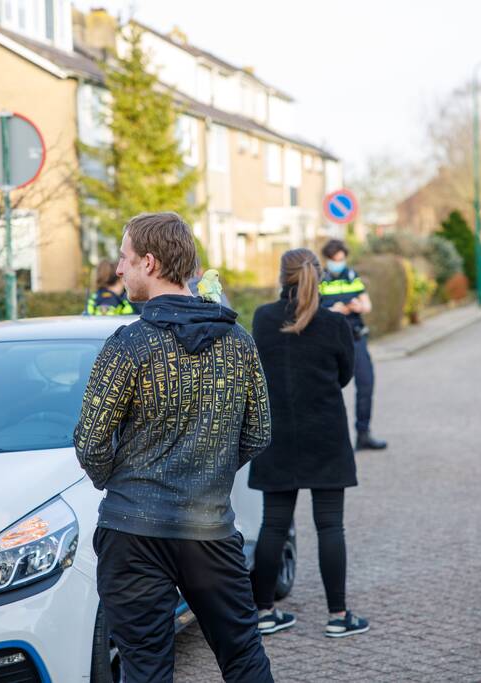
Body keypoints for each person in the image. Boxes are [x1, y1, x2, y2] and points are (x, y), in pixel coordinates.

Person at [73, 212, 274, 683]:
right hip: (209, 529)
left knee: (145, 667)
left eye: (124, 259)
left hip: (133, 530)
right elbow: (259, 432)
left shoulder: (128, 345)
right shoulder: (238, 343)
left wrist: (119, 481)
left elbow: (90, 439)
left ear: (149, 261)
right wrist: (211, 468)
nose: (118, 270)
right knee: (243, 657)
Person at [249, 248, 370, 639]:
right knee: (330, 526)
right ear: (318, 276)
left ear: (281, 277)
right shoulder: (334, 324)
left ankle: (264, 612)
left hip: (278, 435)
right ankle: (338, 616)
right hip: (326, 434)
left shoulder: (263, 319)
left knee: (273, 526)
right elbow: (345, 375)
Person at [319, 239, 387, 450]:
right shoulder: (319, 279)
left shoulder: (352, 276)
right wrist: (334, 311)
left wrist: (357, 306)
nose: (338, 263)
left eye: (341, 259)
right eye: (334, 260)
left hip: (356, 338)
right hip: (329, 342)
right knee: (325, 388)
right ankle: (328, 439)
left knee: (366, 384)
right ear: (328, 259)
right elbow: (311, 311)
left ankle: (363, 433)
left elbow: (367, 305)